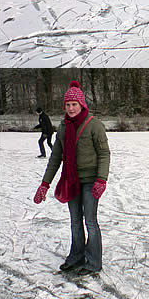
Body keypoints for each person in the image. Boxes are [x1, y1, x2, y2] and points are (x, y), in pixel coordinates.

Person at [33, 80, 111, 276]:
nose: (71, 108)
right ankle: (76, 257)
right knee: (75, 221)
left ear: (82, 104)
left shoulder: (94, 125)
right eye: (67, 105)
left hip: (91, 180)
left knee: (90, 221)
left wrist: (101, 179)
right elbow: (56, 157)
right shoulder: (63, 127)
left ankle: (93, 262)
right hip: (71, 180)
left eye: (74, 104)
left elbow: (104, 154)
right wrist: (45, 184)